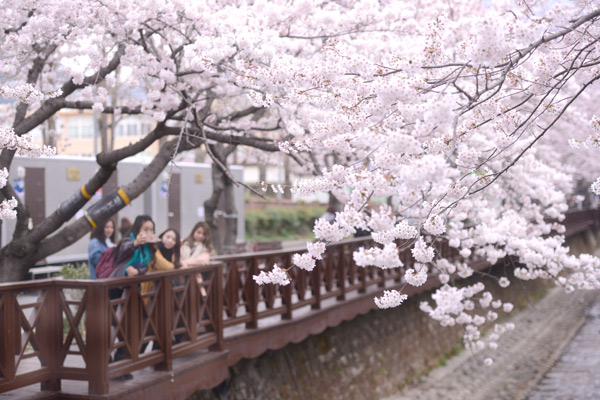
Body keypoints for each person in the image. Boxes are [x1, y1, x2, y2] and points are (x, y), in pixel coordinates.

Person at [108, 215, 158, 379]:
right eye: (145, 229)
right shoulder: (127, 241)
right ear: (137, 229)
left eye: (151, 230)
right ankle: (108, 365)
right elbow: (122, 252)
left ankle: (121, 366)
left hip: (132, 290)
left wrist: (137, 271)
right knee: (113, 327)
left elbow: (145, 267)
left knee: (130, 327)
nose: (149, 233)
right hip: (115, 288)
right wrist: (136, 242)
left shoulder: (149, 248)